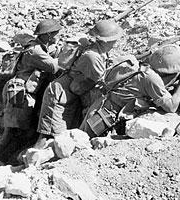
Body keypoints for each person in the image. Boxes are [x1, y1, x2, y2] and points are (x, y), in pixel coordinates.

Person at [34, 20, 123, 148]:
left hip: (72, 93)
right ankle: (31, 162)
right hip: (60, 95)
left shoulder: (100, 52)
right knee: (49, 135)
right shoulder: (93, 56)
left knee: (64, 137)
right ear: (105, 41)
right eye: (114, 40)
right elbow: (103, 81)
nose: (115, 43)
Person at [80, 44, 180, 138]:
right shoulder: (151, 78)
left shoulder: (140, 65)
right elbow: (171, 107)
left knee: (78, 137)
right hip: (103, 120)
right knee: (80, 147)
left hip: (98, 107)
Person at [0, 19, 62, 166]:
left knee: (24, 129)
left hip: (26, 92)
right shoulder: (35, 51)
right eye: (56, 33)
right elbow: (54, 67)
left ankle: (7, 159)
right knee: (14, 130)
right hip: (20, 93)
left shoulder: (39, 47)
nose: (58, 36)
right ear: (48, 35)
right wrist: (68, 54)